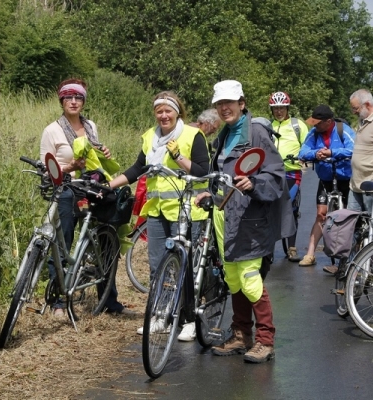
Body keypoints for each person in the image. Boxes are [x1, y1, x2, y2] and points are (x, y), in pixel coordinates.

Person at [195, 80, 295, 363]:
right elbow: (221, 176)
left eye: (230, 102)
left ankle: (265, 340)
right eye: (219, 104)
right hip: (224, 216)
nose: (224, 108)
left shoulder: (257, 134)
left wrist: (254, 182)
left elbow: (276, 178)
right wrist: (209, 191)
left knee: (250, 280)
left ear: (242, 103)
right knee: (233, 279)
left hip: (251, 219)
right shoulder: (224, 135)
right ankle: (241, 335)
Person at [109, 91, 210, 341]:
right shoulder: (150, 137)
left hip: (186, 209)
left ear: (178, 112)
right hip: (157, 210)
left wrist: (178, 157)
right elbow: (137, 169)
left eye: (168, 110)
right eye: (159, 111)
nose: (163, 115)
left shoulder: (192, 135)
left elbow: (202, 172)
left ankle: (189, 320)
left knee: (186, 266)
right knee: (157, 267)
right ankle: (161, 315)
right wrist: (109, 185)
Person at [40, 78, 136, 317]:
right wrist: (71, 165)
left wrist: (104, 153)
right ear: (61, 101)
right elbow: (47, 170)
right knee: (64, 240)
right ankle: (58, 301)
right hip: (67, 188)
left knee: (106, 240)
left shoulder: (90, 125)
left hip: (93, 186)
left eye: (78, 97)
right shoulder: (52, 130)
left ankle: (108, 301)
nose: (74, 102)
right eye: (69, 97)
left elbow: (95, 159)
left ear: (83, 101)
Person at [298, 104, 355, 270]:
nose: (314, 125)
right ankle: (310, 254)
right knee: (321, 214)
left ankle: (349, 257)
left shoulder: (343, 130)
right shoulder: (314, 133)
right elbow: (303, 151)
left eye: (318, 122)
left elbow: (353, 149)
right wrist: (316, 154)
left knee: (349, 217)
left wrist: (331, 152)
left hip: (346, 179)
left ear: (328, 121)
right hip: (326, 179)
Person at [270, 91, 309, 262]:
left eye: (282, 108)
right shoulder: (268, 125)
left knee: (290, 206)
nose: (279, 111)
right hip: (272, 173)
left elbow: (307, 145)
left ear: (287, 108)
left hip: (292, 172)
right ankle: (268, 247)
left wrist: (303, 156)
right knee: (270, 208)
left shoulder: (297, 125)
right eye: (276, 108)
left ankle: (292, 247)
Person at [348, 89, 373, 213]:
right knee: (349, 224)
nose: (354, 112)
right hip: (355, 185)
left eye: (355, 108)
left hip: (370, 186)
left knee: (370, 224)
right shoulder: (362, 121)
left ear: (367, 105)